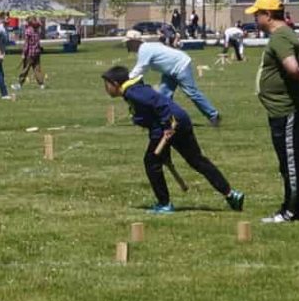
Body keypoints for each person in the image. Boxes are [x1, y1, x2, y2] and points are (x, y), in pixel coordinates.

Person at [101, 64, 244, 215]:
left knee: (151, 162)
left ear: (115, 84)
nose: (105, 88)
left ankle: (164, 204)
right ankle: (231, 194)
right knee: (197, 160)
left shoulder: (134, 93)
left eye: (106, 84)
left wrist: (167, 126)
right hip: (179, 121)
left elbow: (160, 105)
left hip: (171, 125)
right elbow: (152, 116)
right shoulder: (134, 90)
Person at [252, 0, 299, 223]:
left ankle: (291, 211)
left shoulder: (279, 37)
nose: (255, 19)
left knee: (290, 162)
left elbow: (291, 67)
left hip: (287, 110)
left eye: (257, 15)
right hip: (284, 109)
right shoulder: (286, 34)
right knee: (294, 161)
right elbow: (295, 64)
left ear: (267, 15)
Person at [124, 30, 221, 125]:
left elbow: (141, 67)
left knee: (192, 92)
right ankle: (167, 119)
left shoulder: (144, 49)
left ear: (134, 42)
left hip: (180, 65)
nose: (126, 45)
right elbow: (141, 70)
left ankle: (213, 115)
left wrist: (125, 79)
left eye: (128, 43)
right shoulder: (146, 48)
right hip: (170, 70)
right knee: (164, 95)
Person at [20, 17, 45, 89]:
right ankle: (41, 84)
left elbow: (26, 44)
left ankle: (20, 83)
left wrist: (23, 53)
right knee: (37, 69)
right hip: (37, 53)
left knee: (25, 69)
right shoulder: (36, 30)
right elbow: (39, 24)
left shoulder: (28, 31)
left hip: (30, 54)